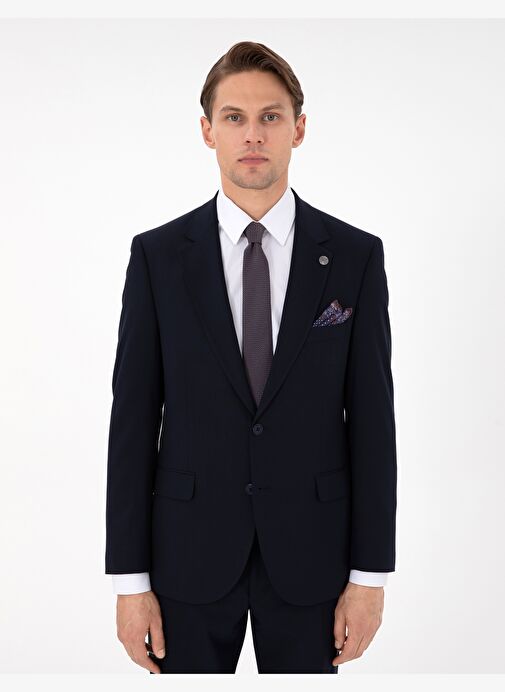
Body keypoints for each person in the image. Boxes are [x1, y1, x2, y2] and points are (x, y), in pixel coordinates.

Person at [105, 40, 397, 674]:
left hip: (313, 558)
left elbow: (374, 424)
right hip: (186, 554)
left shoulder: (355, 257)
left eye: (271, 116)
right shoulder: (158, 258)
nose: (253, 134)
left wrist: (370, 575)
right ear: (207, 131)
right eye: (234, 117)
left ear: (299, 128)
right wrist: (130, 582)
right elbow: (132, 422)